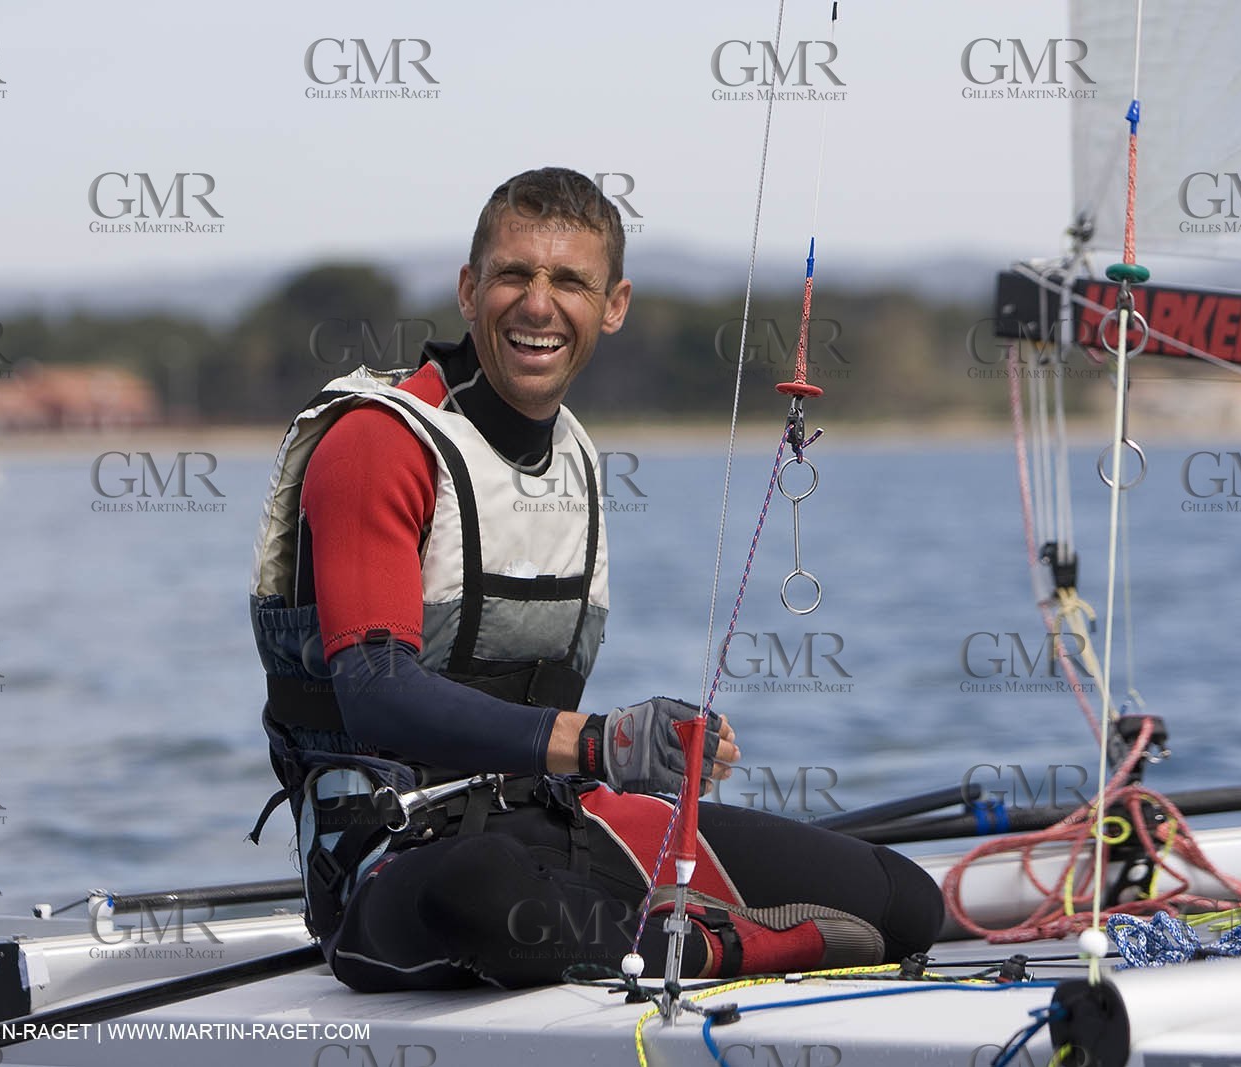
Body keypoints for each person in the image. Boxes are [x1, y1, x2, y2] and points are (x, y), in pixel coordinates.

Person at [249, 166, 943, 991]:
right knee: (487, 896)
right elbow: (374, 694)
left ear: (613, 305)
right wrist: (602, 740)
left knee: (903, 901)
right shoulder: (378, 443)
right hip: (393, 868)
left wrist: (661, 739)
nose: (538, 304)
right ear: (469, 290)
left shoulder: (573, 453)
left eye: (570, 281)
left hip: (551, 824)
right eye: (514, 274)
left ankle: (675, 935)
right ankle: (736, 949)